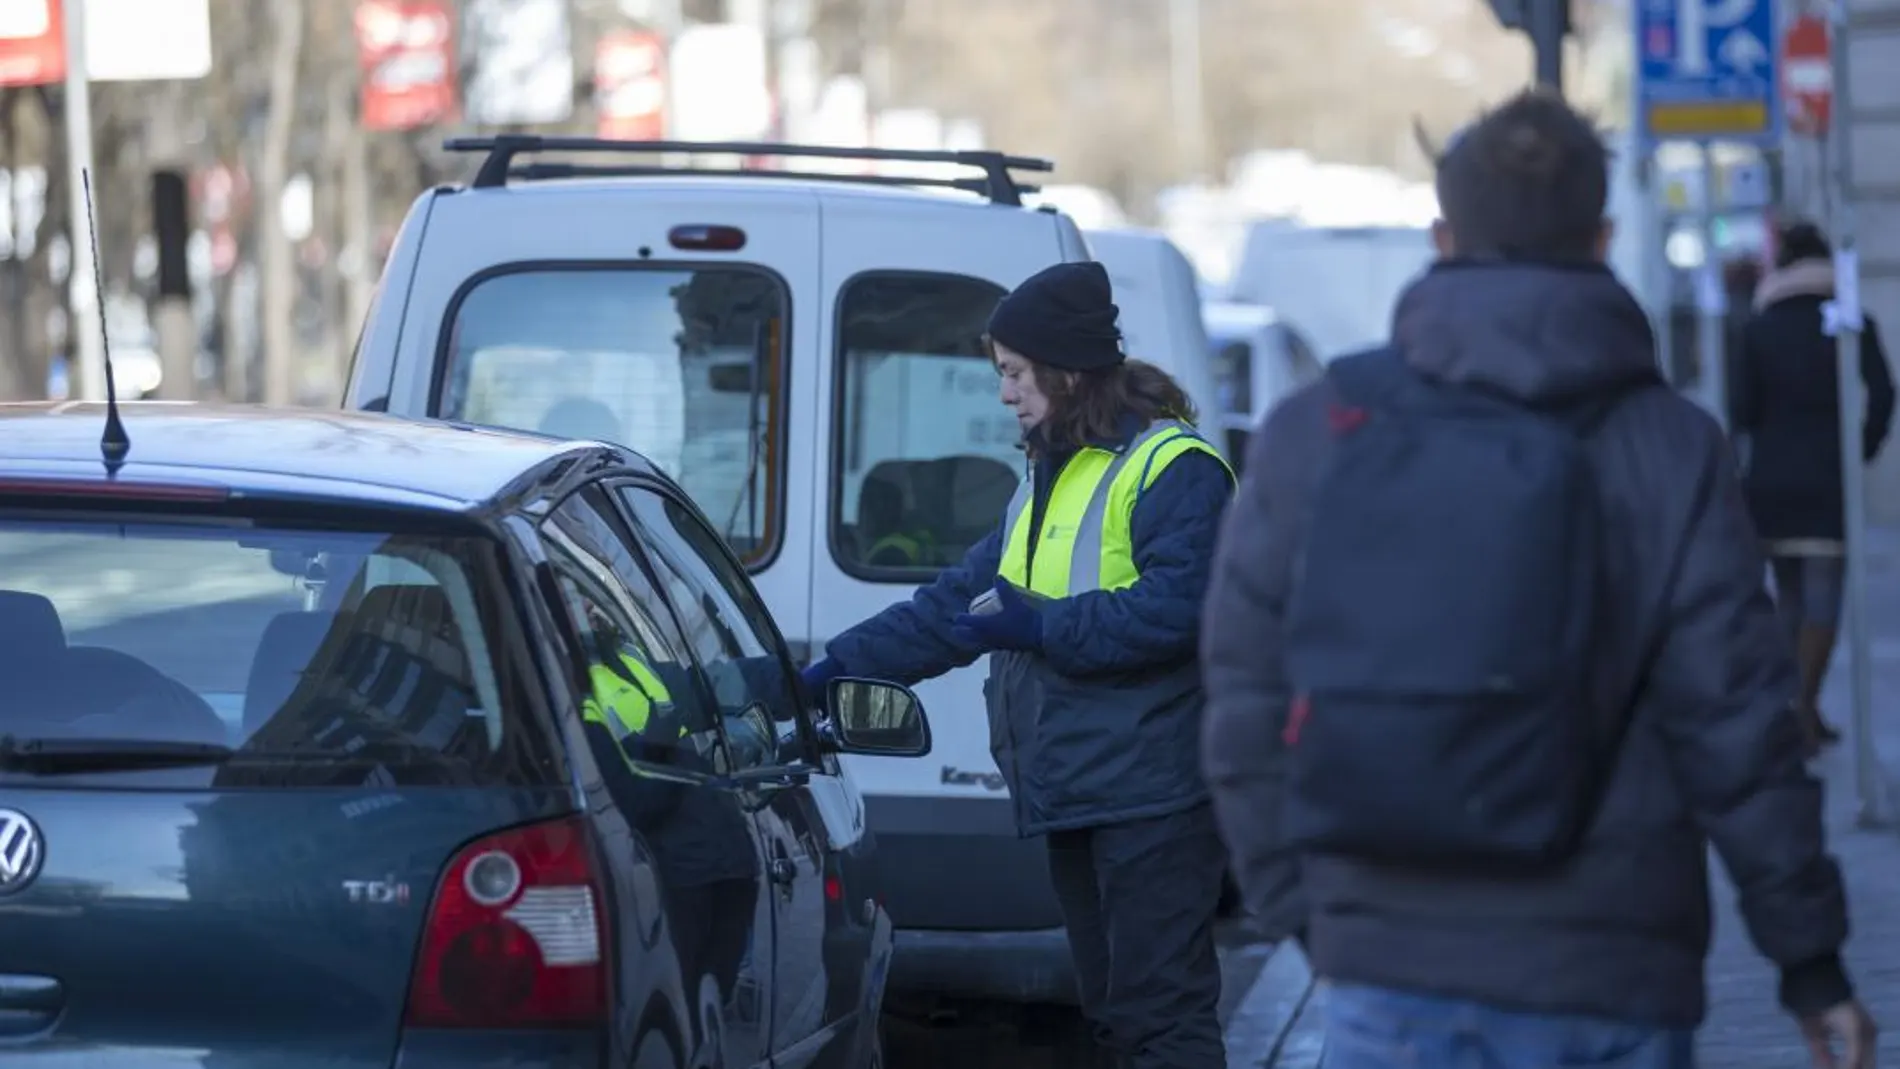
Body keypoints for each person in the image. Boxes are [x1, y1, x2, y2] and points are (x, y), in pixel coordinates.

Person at [1199, 89, 1873, 1069]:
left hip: (1386, 964)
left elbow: (1239, 697)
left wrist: (1311, 914)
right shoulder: (1672, 447)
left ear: (1440, 236)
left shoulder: (1319, 429)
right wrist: (1810, 964)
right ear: (1602, 239)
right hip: (1610, 970)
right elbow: (1737, 725)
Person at [800, 261, 1236, 1069]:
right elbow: (953, 607)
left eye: (1013, 372)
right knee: (1116, 1014)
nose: (1004, 392)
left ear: (1066, 370)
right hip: (1081, 786)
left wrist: (1043, 625)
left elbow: (1181, 612)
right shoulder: (1047, 478)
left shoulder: (1174, 469)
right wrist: (828, 670)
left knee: (1160, 1017)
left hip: (1154, 798)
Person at [1732, 221, 1895, 755]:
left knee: (1790, 598)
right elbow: (1884, 391)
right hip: (1830, 477)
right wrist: (1861, 447)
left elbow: (1743, 411)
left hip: (1773, 481)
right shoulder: (1851, 321)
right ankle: (1801, 708)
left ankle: (1797, 708)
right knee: (1824, 596)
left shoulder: (1760, 327)